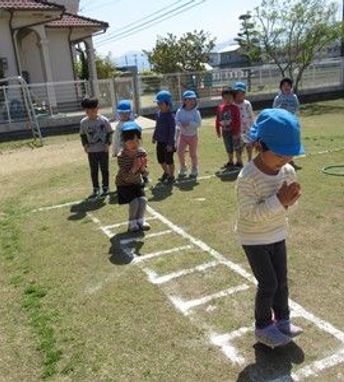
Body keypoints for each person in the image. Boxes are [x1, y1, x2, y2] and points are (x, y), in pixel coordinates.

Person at [236, 108, 304, 348]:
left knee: (282, 281)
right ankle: (263, 326)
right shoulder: (247, 177)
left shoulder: (287, 170)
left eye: (290, 155)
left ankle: (283, 321)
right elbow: (250, 215)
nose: (286, 160)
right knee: (268, 284)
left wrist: (289, 203)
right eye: (281, 154)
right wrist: (280, 201)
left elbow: (288, 209)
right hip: (253, 238)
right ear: (260, 146)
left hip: (277, 234)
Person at [115, 121, 150, 232]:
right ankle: (132, 223)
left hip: (137, 182)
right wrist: (135, 167)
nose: (134, 143)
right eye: (130, 141)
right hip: (124, 183)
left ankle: (141, 220)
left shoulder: (142, 152)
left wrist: (143, 169)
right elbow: (126, 177)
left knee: (143, 200)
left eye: (136, 140)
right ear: (124, 142)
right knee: (134, 202)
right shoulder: (121, 156)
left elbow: (145, 173)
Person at [80, 97, 113, 198]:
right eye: (87, 111)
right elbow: (83, 135)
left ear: (97, 109)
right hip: (92, 151)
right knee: (94, 170)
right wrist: (85, 145)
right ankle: (96, 188)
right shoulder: (83, 122)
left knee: (104, 169)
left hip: (103, 150)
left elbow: (110, 132)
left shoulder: (104, 120)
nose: (89, 113)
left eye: (92, 110)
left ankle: (106, 187)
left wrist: (108, 144)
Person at [273, 78, 301, 169]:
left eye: (288, 85)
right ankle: (281, 159)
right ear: (280, 87)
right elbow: (274, 110)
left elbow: (297, 108)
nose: (286, 87)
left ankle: (290, 159)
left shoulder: (294, 97)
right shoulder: (278, 98)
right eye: (284, 85)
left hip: (291, 123)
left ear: (291, 87)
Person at [175, 90, 202, 178]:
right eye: (188, 99)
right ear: (184, 101)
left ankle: (194, 168)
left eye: (193, 99)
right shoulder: (180, 111)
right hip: (183, 136)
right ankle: (183, 167)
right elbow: (177, 121)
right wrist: (181, 124)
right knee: (180, 152)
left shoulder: (196, 112)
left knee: (193, 154)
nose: (191, 101)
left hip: (193, 136)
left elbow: (199, 124)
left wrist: (190, 123)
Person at [152, 90, 176, 184]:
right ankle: (166, 172)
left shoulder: (171, 117)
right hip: (160, 142)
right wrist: (154, 136)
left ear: (168, 104)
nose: (159, 105)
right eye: (158, 103)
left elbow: (172, 131)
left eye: (161, 103)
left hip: (168, 143)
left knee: (169, 160)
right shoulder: (158, 114)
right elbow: (157, 127)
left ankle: (171, 175)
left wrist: (170, 144)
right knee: (160, 159)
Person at [215, 87, 242, 169]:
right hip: (225, 131)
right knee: (228, 147)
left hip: (234, 132)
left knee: (237, 147)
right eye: (225, 98)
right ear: (222, 98)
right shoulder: (220, 108)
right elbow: (217, 119)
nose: (227, 100)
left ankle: (239, 162)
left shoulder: (235, 108)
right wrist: (218, 131)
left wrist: (236, 132)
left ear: (233, 98)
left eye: (230, 98)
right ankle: (230, 161)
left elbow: (238, 121)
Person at [233, 82, 255, 161]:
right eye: (237, 93)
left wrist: (253, 127)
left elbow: (251, 116)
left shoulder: (247, 104)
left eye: (241, 93)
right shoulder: (232, 104)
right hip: (237, 130)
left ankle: (250, 159)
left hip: (248, 128)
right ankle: (239, 161)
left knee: (249, 145)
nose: (239, 95)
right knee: (238, 147)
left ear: (244, 93)